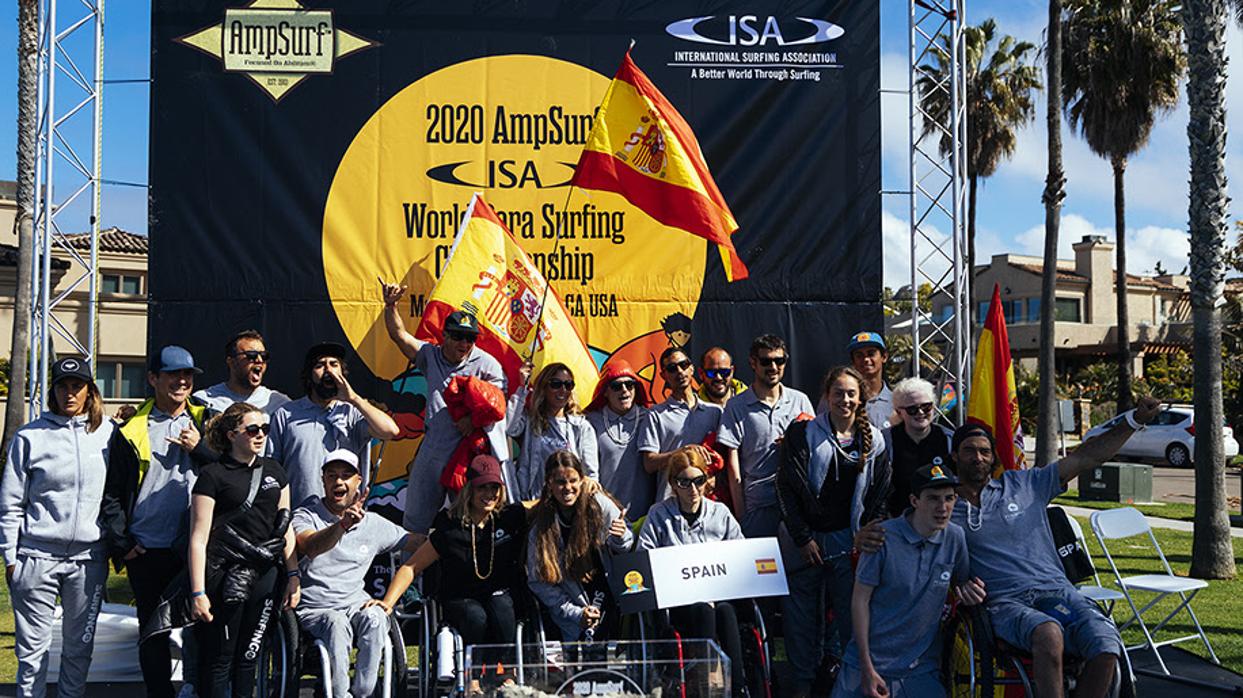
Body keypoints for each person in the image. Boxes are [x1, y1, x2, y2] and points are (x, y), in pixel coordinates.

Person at [949, 397, 1161, 698]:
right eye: (969, 451)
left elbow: (1087, 458)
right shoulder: (942, 506)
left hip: (1059, 592)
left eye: (985, 451)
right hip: (1005, 602)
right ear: (954, 456)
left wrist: (1134, 421)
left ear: (994, 457)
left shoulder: (1026, 485)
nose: (978, 457)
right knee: (1048, 633)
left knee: (1106, 641)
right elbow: (919, 544)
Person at [100, 345, 217, 698]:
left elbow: (232, 473)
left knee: (205, 626)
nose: (181, 382)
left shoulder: (208, 420)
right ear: (153, 379)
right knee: (153, 633)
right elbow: (112, 494)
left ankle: (200, 690)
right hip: (148, 547)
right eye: (172, 375)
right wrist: (124, 544)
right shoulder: (130, 428)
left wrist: (200, 449)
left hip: (198, 547)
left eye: (187, 376)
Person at [1, 358, 113, 698]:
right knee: (32, 653)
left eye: (76, 386)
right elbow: (10, 503)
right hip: (36, 557)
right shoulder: (30, 437)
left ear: (90, 391)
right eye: (63, 386)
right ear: (53, 390)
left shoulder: (108, 433)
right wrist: (9, 557)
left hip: (89, 560)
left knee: (78, 651)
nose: (69, 393)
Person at [776, 366, 889, 698]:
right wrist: (802, 537)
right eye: (838, 392)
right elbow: (785, 488)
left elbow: (880, 495)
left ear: (861, 398)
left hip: (848, 541)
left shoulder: (876, 440)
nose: (845, 399)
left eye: (851, 393)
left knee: (849, 620)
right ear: (826, 396)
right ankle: (801, 685)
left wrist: (867, 535)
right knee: (800, 620)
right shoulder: (802, 434)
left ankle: (847, 683)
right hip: (805, 540)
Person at [833, 464, 985, 698]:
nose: (943, 508)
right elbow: (860, 601)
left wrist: (970, 590)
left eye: (949, 498)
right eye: (933, 499)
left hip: (921, 669)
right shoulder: (881, 537)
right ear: (914, 501)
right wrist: (866, 667)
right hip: (868, 663)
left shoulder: (955, 537)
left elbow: (960, 583)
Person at [370, 455, 527, 680]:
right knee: (476, 617)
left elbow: (545, 503)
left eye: (494, 487)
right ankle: (471, 677)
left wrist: (585, 486)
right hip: (461, 598)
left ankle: (505, 674)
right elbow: (411, 567)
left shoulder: (509, 517)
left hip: (497, 594)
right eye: (482, 487)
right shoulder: (450, 526)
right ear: (469, 490)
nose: (489, 494)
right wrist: (387, 603)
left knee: (502, 607)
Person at [187, 403, 299, 698]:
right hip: (226, 575)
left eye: (265, 429)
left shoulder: (275, 469)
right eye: (252, 430)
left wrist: (293, 574)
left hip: (266, 574)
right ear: (231, 434)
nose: (260, 435)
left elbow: (284, 526)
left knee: (250, 655)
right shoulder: (213, 475)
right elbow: (198, 538)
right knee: (220, 658)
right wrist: (198, 593)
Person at [381, 281, 507, 534]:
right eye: (458, 336)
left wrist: (473, 421)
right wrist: (391, 305)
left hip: (469, 453)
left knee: (472, 523)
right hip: (435, 447)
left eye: (470, 338)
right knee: (415, 523)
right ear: (445, 336)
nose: (465, 343)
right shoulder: (430, 354)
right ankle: (412, 573)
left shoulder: (487, 364)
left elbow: (499, 408)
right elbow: (400, 336)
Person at [293, 450, 416, 698]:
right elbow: (311, 546)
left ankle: (363, 693)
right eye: (332, 476)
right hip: (316, 609)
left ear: (358, 481)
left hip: (354, 603)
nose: (339, 482)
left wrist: (457, 530)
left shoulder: (373, 523)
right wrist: (342, 526)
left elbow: (420, 544)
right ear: (323, 480)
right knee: (336, 623)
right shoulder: (305, 515)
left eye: (346, 475)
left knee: (376, 617)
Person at [637, 447, 746, 692]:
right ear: (674, 485)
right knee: (703, 612)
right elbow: (643, 558)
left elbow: (741, 555)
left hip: (718, 598)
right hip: (679, 605)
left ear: (707, 481)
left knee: (727, 612)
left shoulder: (720, 513)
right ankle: (703, 683)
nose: (693, 490)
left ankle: (737, 686)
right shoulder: (659, 514)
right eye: (684, 482)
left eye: (698, 481)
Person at [268, 342, 399, 508]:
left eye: (334, 364)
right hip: (300, 515)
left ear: (342, 373)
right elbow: (272, 469)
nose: (328, 370)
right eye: (320, 365)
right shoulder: (286, 414)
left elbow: (390, 431)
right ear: (309, 375)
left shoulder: (352, 411)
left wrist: (354, 399)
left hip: (346, 516)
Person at [527, 451, 632, 641]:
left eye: (573, 481)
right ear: (549, 484)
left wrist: (621, 536)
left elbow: (625, 548)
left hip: (608, 595)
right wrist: (575, 613)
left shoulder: (598, 504)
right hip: (570, 608)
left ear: (582, 480)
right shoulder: (540, 527)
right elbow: (538, 582)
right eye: (560, 482)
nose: (567, 488)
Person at [718, 335, 814, 537]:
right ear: (753, 363)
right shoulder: (736, 406)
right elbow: (732, 464)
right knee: (762, 568)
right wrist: (741, 514)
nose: (773, 366)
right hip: (759, 504)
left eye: (779, 360)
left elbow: (815, 450)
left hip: (798, 502)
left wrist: (794, 444)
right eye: (765, 361)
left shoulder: (800, 400)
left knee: (800, 567)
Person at [636, 347, 723, 503]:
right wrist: (681, 453)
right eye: (672, 368)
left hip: (708, 503)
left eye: (683, 365)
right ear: (664, 375)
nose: (679, 371)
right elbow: (649, 463)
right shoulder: (655, 414)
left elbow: (726, 458)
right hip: (669, 503)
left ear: (692, 368)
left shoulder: (715, 412)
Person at [509, 362, 599, 500]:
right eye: (556, 384)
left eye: (568, 385)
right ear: (544, 388)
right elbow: (510, 428)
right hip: (535, 502)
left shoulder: (581, 427)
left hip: (568, 504)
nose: (563, 390)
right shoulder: (531, 420)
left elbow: (590, 475)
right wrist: (522, 388)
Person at [584, 361, 655, 523]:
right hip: (604, 513)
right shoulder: (590, 421)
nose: (624, 390)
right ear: (605, 392)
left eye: (630, 385)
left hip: (647, 517)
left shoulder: (650, 417)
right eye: (616, 386)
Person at [883, 377, 954, 517]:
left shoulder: (948, 439)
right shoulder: (885, 441)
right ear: (899, 412)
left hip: (941, 520)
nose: (921, 413)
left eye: (926, 407)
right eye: (912, 409)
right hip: (898, 521)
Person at [192, 329, 292, 416]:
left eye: (264, 355)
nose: (259, 360)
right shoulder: (204, 400)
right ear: (231, 361)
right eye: (251, 355)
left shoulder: (279, 403)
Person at [848, 332, 895, 429]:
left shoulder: (897, 402)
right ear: (853, 361)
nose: (865, 359)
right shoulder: (843, 401)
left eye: (871, 353)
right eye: (859, 355)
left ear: (884, 357)